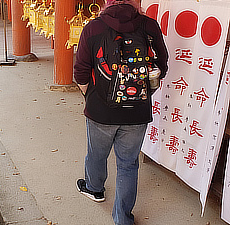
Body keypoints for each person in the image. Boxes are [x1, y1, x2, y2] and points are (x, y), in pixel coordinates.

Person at [74, 0, 168, 224]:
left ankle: (95, 189)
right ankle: (122, 218)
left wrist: (90, 96)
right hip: (137, 111)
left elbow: (80, 72)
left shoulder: (93, 27)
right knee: (128, 164)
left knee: (97, 153)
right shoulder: (149, 26)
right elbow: (161, 65)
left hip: (100, 111)